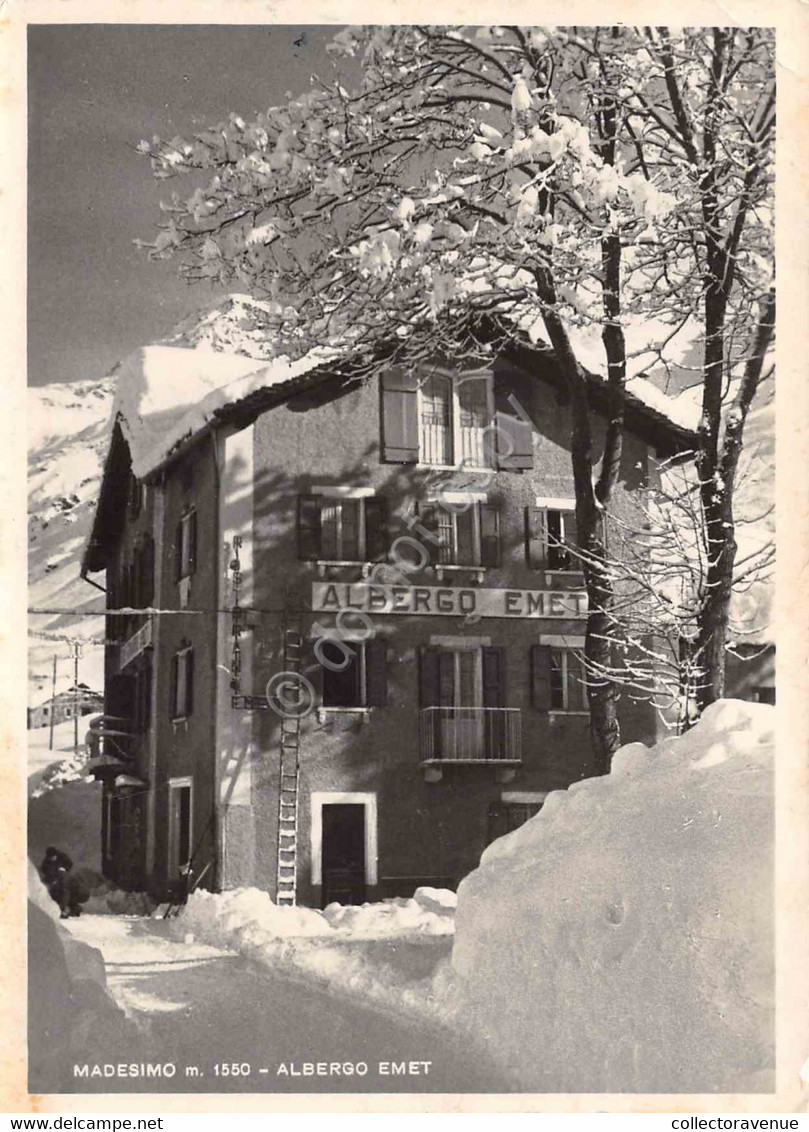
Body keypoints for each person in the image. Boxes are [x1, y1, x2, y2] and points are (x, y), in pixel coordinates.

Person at [39, 846, 88, 918]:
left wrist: (62, 908)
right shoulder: (46, 861)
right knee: (57, 893)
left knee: (63, 894)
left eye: (53, 857)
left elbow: (65, 893)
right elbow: (44, 870)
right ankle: (74, 909)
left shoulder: (62, 859)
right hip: (62, 881)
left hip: (80, 893)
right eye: (50, 858)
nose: (52, 859)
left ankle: (72, 909)